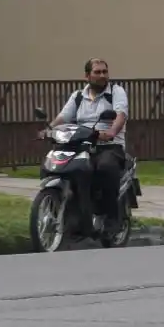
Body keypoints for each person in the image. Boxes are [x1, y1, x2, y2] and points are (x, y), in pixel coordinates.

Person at [44, 58, 129, 235]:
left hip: (109, 145)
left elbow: (120, 115)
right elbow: (63, 117)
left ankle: (112, 218)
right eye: (97, 72)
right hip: (80, 145)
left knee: (106, 167)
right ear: (87, 76)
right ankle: (76, 216)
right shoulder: (77, 96)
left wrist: (111, 132)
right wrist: (48, 130)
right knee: (65, 167)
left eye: (104, 72)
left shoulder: (116, 91)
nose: (102, 75)